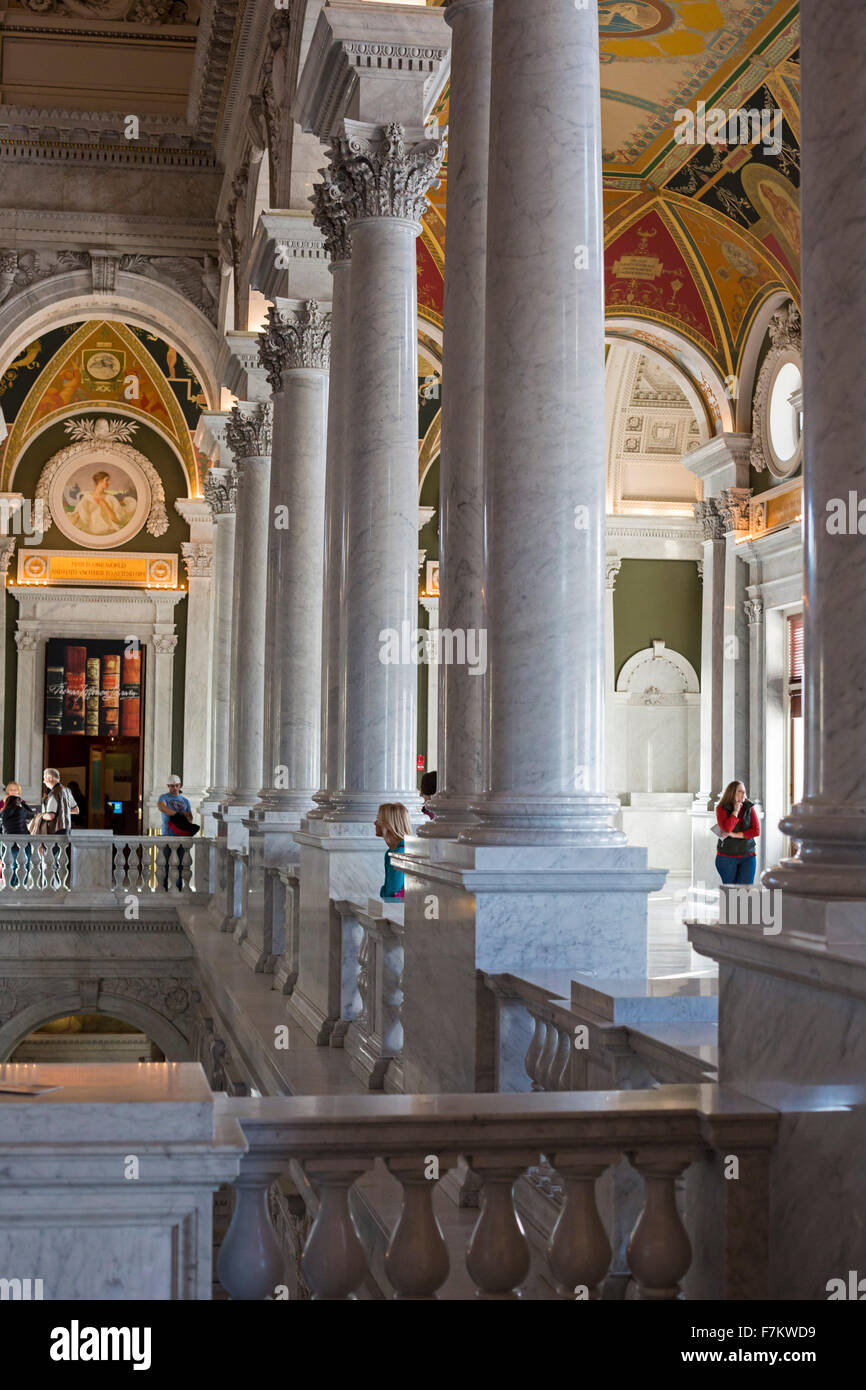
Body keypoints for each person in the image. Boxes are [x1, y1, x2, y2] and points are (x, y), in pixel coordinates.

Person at [714, 780, 761, 885]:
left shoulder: (749, 807)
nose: (744, 794)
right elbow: (726, 829)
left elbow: (756, 831)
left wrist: (734, 835)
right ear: (732, 793)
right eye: (740, 791)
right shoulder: (721, 808)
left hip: (748, 855)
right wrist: (735, 811)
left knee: (745, 892)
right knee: (731, 893)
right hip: (726, 857)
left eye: (744, 791)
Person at [157, 775, 192, 890]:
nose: (175, 788)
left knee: (181, 865)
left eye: (177, 785)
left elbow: (190, 818)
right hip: (167, 835)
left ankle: (178, 889)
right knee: (165, 864)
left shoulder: (186, 801)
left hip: (181, 837)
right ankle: (163, 889)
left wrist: (185, 819)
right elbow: (162, 807)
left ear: (180, 785)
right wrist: (178, 815)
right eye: (172, 786)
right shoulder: (164, 797)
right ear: (168, 786)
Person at [0, 781, 36, 888]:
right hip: (23, 840)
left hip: (8, 841)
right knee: (25, 863)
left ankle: (10, 884)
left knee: (10, 864)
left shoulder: (2, 812)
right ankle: (22, 884)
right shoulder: (21, 810)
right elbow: (32, 815)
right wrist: (23, 803)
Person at [375, 803, 412, 901]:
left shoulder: (398, 854)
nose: (374, 822)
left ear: (388, 824)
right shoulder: (395, 850)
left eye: (378, 818)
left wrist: (383, 891)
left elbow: (391, 892)